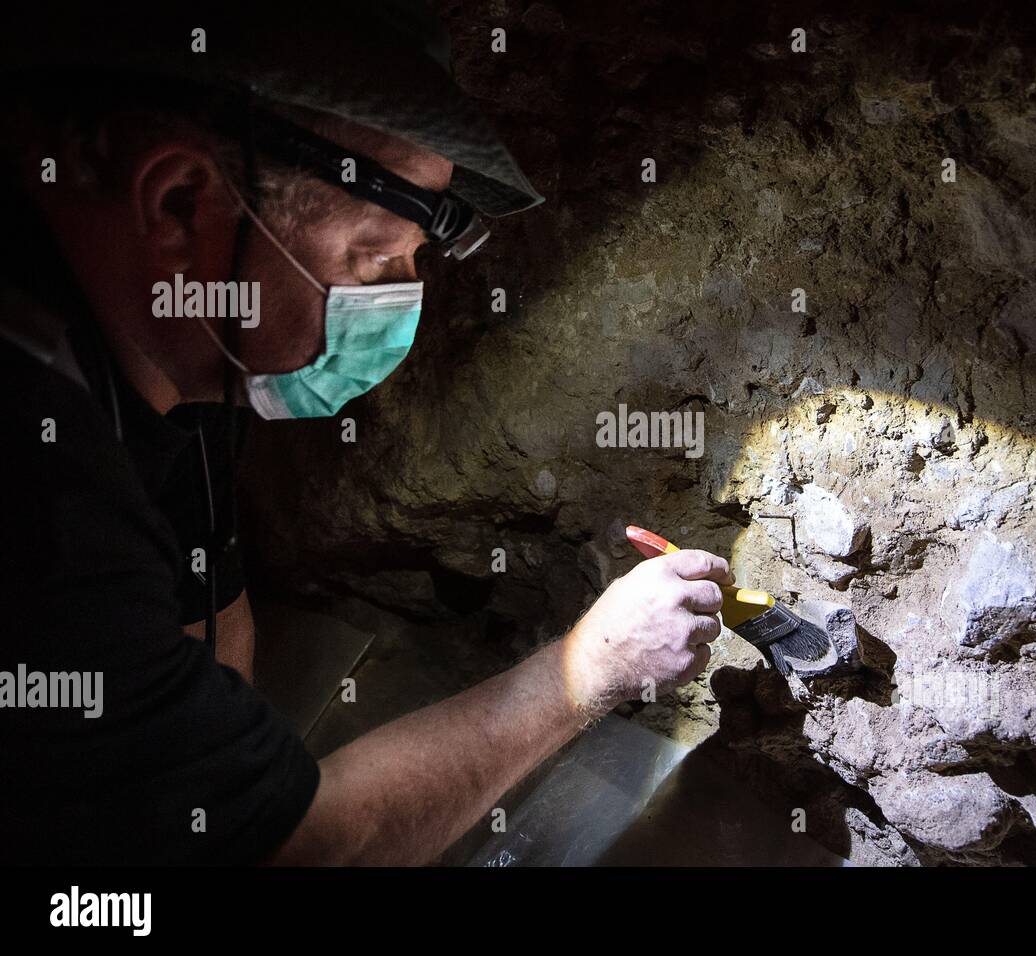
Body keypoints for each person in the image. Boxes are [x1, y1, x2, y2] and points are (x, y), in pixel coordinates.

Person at [0, 4, 731, 864]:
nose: (398, 306)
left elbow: (209, 620)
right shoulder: (40, 501)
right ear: (179, 202)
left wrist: (214, 775)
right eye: (375, 258)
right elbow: (302, 854)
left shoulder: (176, 370)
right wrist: (587, 670)